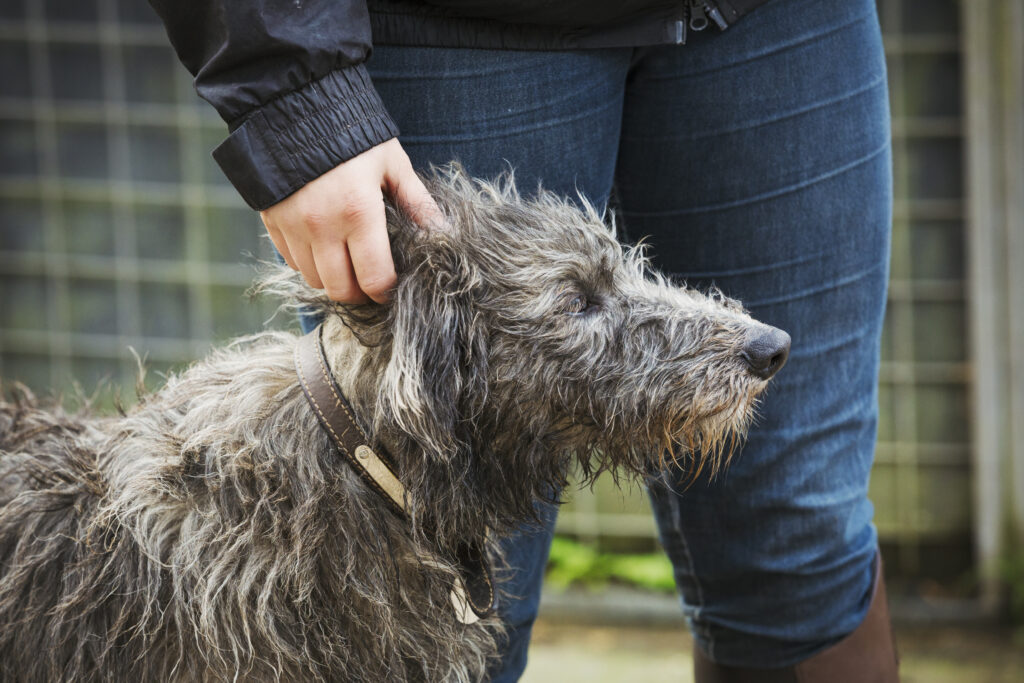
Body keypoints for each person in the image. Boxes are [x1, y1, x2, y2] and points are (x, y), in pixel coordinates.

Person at [149, 0, 899, 679]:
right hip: (451, 31)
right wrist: (295, 91)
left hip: (781, 20)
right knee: (425, 599)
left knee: (803, 559)